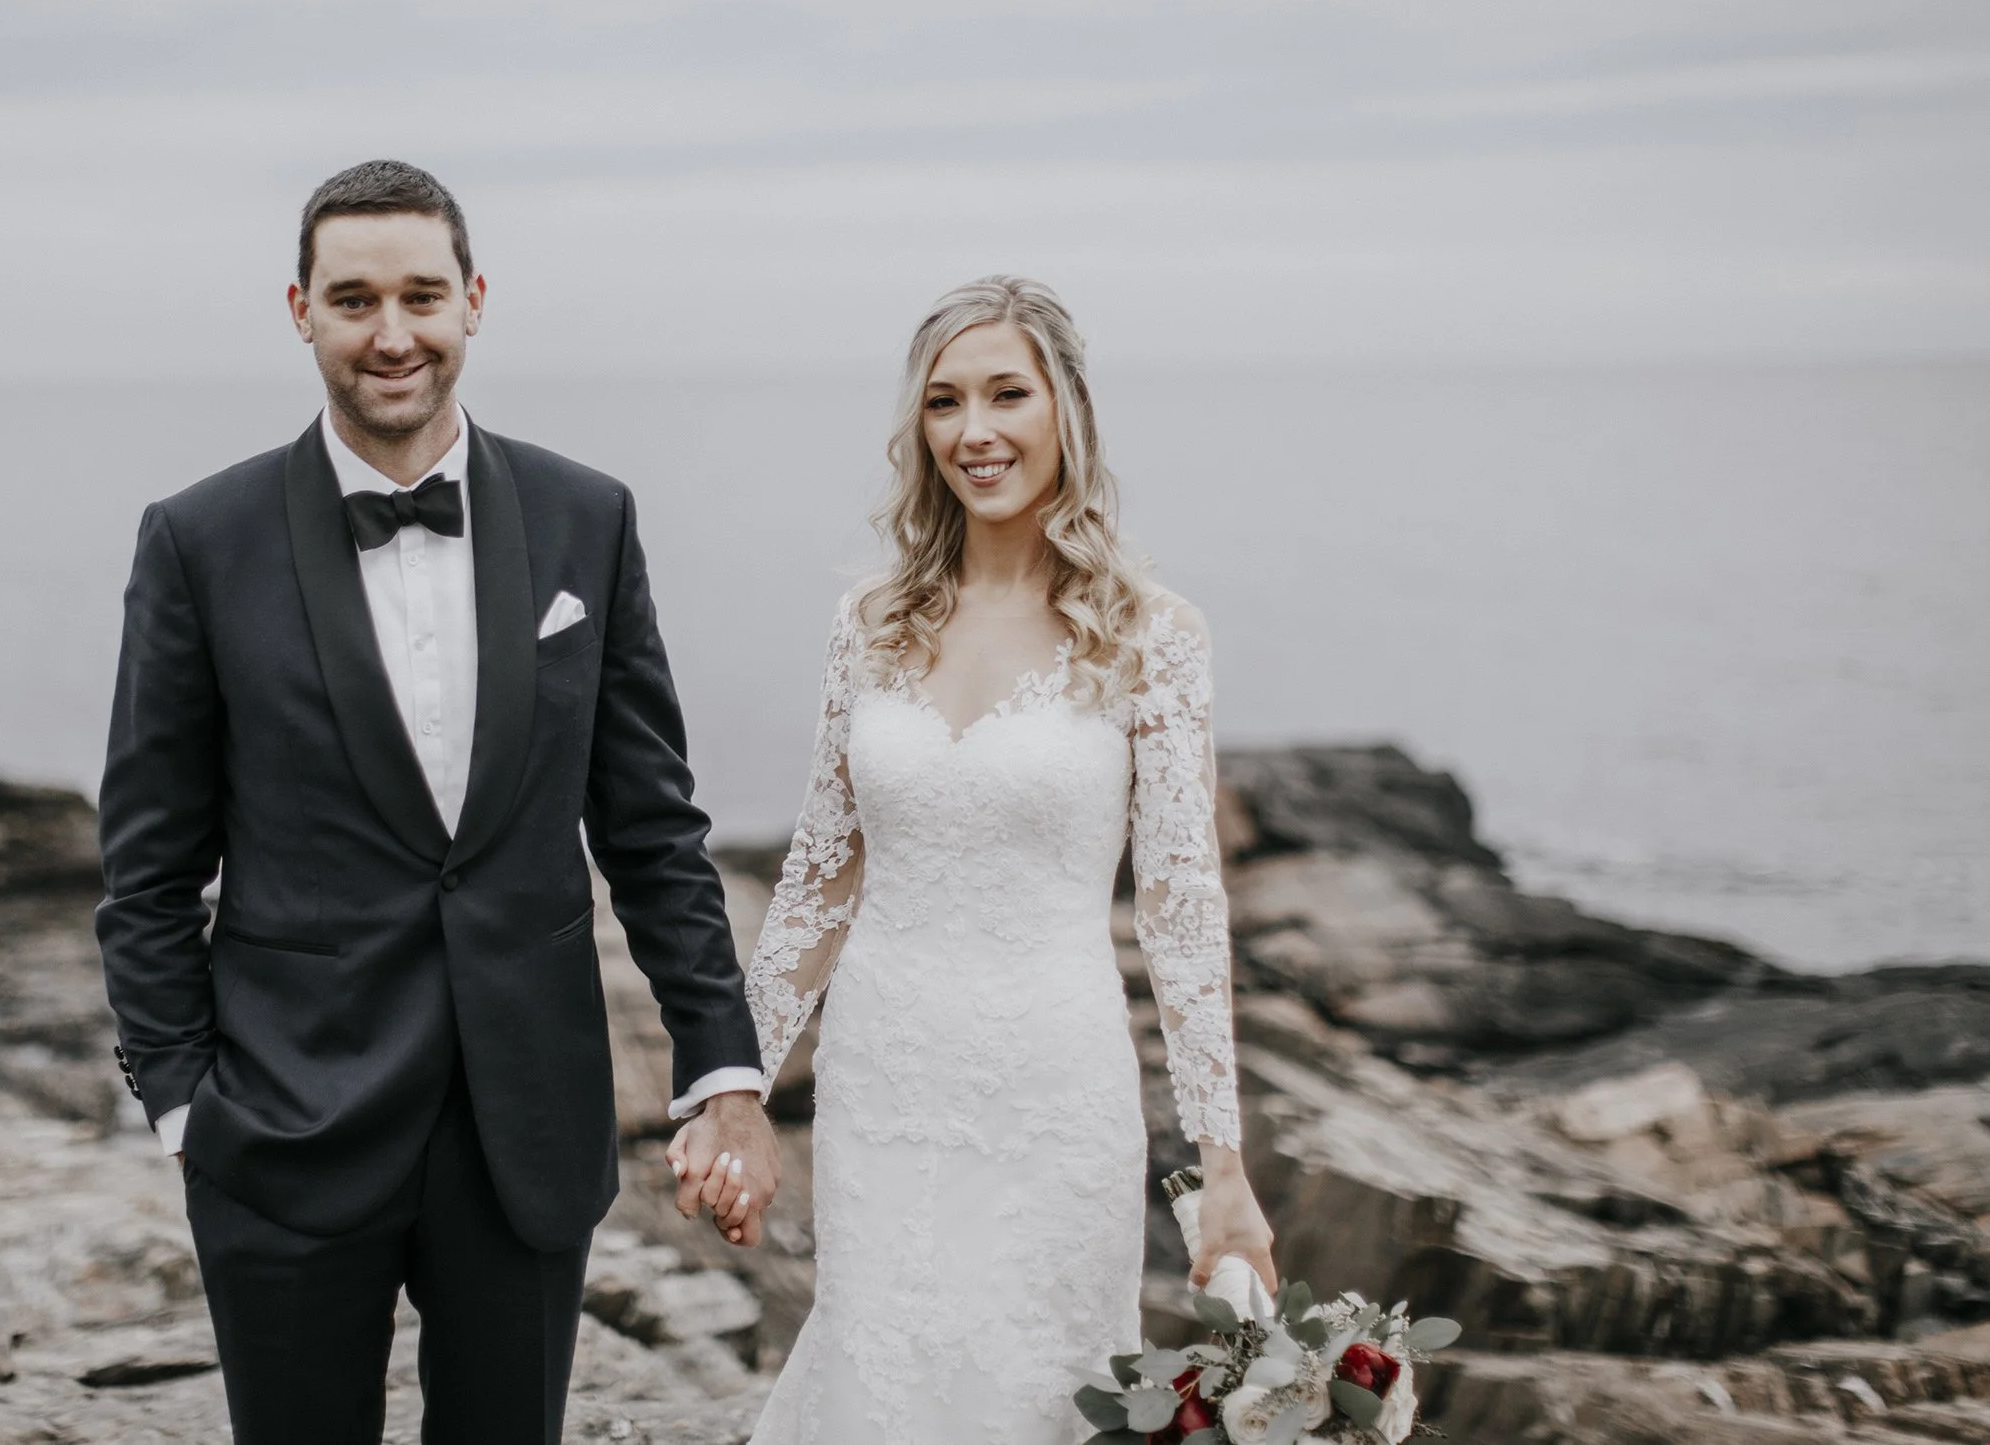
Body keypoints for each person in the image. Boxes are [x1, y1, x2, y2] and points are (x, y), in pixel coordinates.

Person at [93, 160, 777, 1445]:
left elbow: (652, 828)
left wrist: (720, 1065)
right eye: (354, 300)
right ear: (300, 309)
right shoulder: (197, 540)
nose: (391, 334)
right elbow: (144, 868)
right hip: (285, 1129)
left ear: (473, 300)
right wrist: (185, 1104)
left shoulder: (588, 517)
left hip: (525, 1127)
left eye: (421, 295)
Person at [723, 275, 1278, 1442]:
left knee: (1033, 1391)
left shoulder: (1152, 635)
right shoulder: (871, 621)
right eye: (943, 402)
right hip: (882, 1085)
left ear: (1065, 407)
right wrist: (737, 1088)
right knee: (882, 1379)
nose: (975, 431)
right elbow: (821, 875)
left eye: (1005, 394)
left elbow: (1180, 912)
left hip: (1053, 1094)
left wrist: (1219, 1165)